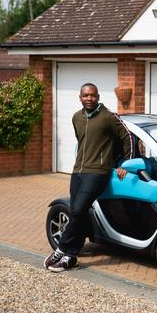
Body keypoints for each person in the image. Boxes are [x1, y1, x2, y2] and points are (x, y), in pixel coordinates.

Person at [44, 82, 132, 272]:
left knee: (76, 210)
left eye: (92, 95)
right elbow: (82, 141)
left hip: (98, 172)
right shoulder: (77, 117)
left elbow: (126, 138)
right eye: (85, 96)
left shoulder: (108, 117)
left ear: (98, 97)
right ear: (80, 97)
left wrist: (125, 164)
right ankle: (71, 257)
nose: (89, 99)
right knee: (80, 212)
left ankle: (61, 248)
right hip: (78, 171)